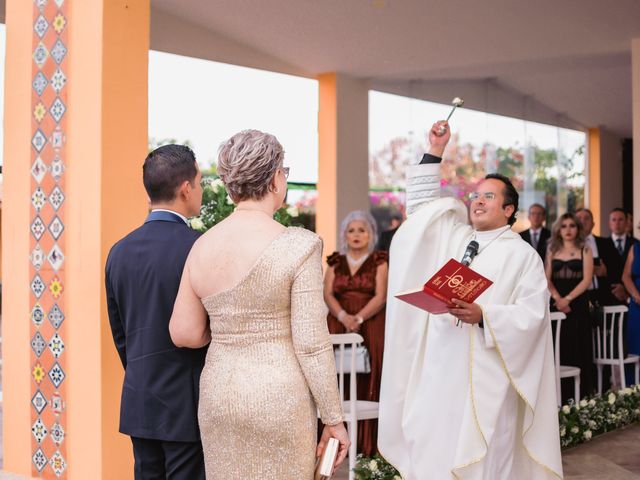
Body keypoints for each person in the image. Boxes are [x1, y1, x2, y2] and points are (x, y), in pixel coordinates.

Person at [378, 120, 562, 480]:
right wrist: (435, 150)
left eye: (489, 196)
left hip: (487, 377)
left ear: (510, 211)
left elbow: (532, 316)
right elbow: (420, 213)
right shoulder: (454, 237)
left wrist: (484, 315)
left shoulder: (523, 256)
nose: (477, 200)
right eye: (476, 195)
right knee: (432, 447)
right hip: (439, 366)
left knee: (485, 460)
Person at [168, 130, 349, 479]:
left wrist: (229, 331)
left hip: (219, 394)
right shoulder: (301, 245)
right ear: (276, 177)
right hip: (279, 397)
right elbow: (311, 344)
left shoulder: (202, 245)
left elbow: (183, 332)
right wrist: (333, 419)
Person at [105, 144, 207, 479]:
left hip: (140, 397)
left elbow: (121, 335)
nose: (202, 190)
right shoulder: (198, 248)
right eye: (201, 182)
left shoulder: (118, 252)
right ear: (185, 189)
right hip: (187, 402)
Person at [323, 210, 389, 456]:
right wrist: (343, 317)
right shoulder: (335, 261)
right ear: (344, 235)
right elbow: (327, 292)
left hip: (370, 326)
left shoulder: (380, 260)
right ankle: (333, 446)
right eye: (351, 230)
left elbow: (381, 295)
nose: (357, 234)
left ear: (371, 233)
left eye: (362, 229)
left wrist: (359, 318)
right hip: (338, 324)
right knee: (336, 382)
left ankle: (367, 447)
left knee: (368, 379)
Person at [545, 213, 594, 402]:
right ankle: (560, 398)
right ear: (558, 229)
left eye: (572, 225)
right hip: (556, 304)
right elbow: (546, 278)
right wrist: (558, 299)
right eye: (564, 226)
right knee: (560, 347)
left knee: (579, 347)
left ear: (578, 229)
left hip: (578, 305)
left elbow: (587, 279)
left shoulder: (585, 249)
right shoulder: (552, 249)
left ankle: (580, 398)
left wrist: (568, 299)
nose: (568, 229)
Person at [622, 225, 640, 365]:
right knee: (635, 344)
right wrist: (636, 295)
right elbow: (626, 276)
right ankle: (633, 385)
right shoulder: (635, 248)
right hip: (637, 303)